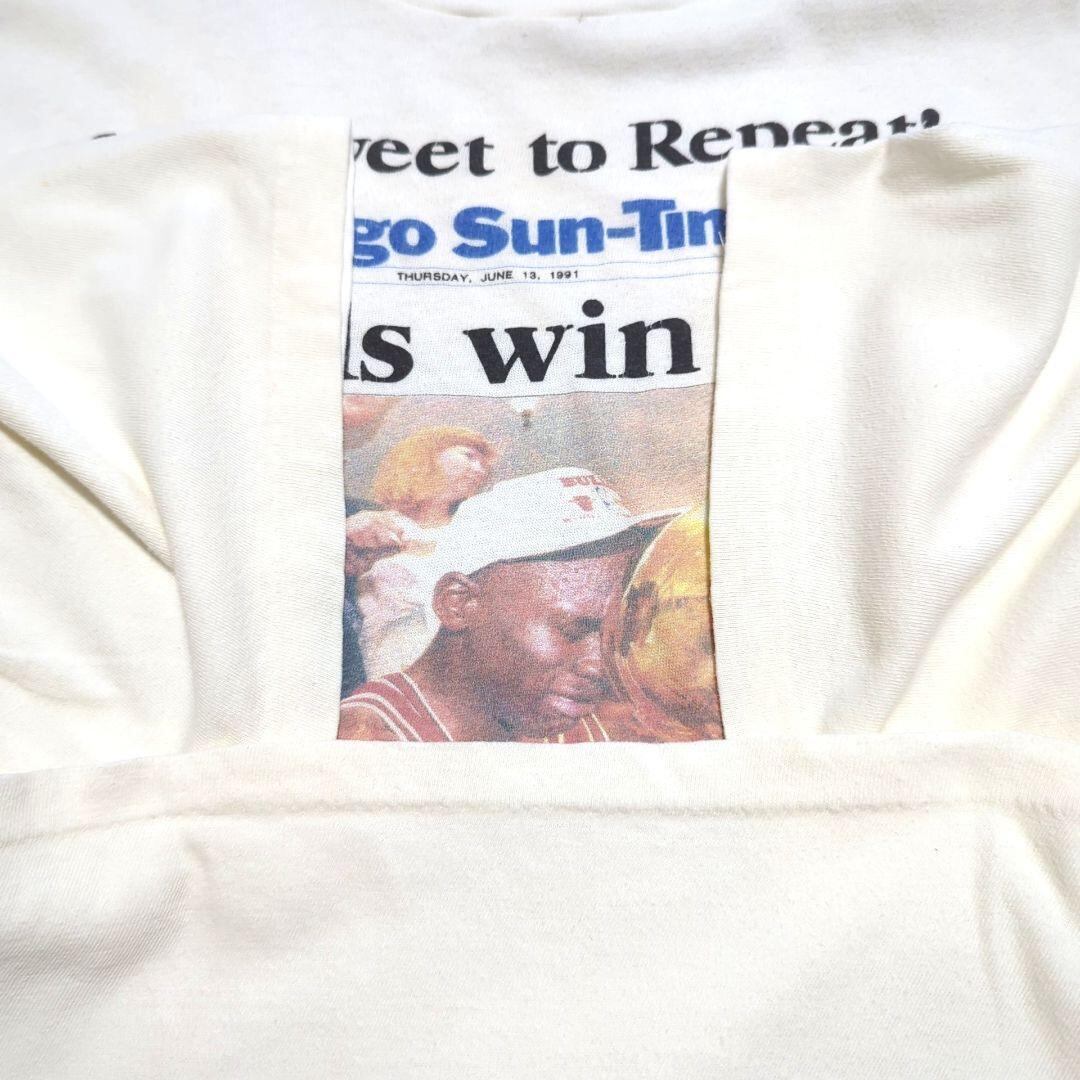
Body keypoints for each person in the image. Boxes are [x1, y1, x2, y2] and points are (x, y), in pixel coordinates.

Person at [338, 468, 684, 742]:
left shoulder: (598, 726)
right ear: (458, 603)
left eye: (618, 634)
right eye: (573, 630)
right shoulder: (365, 742)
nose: (603, 665)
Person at [343, 426, 498, 689]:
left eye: (483, 465)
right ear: (426, 457)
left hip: (459, 673)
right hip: (382, 669)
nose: (479, 470)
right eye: (469, 456)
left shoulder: (478, 531)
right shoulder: (365, 521)